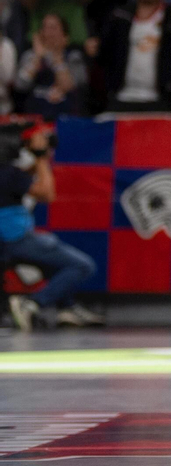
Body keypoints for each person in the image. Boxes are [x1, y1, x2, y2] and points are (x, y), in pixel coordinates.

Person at [1, 123, 103, 330]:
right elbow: (47, 194)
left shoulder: (9, 174)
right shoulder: (8, 173)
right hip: (15, 238)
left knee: (54, 264)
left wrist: (38, 157)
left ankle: (67, 308)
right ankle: (32, 303)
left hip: (7, 241)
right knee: (82, 265)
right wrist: (41, 157)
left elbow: (22, 179)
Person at [13, 13, 88, 120]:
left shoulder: (74, 57)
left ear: (65, 36)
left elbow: (69, 87)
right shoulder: (30, 56)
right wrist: (37, 57)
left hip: (66, 120)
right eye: (45, 28)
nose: (48, 33)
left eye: (53, 28)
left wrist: (57, 59)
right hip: (35, 119)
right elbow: (21, 85)